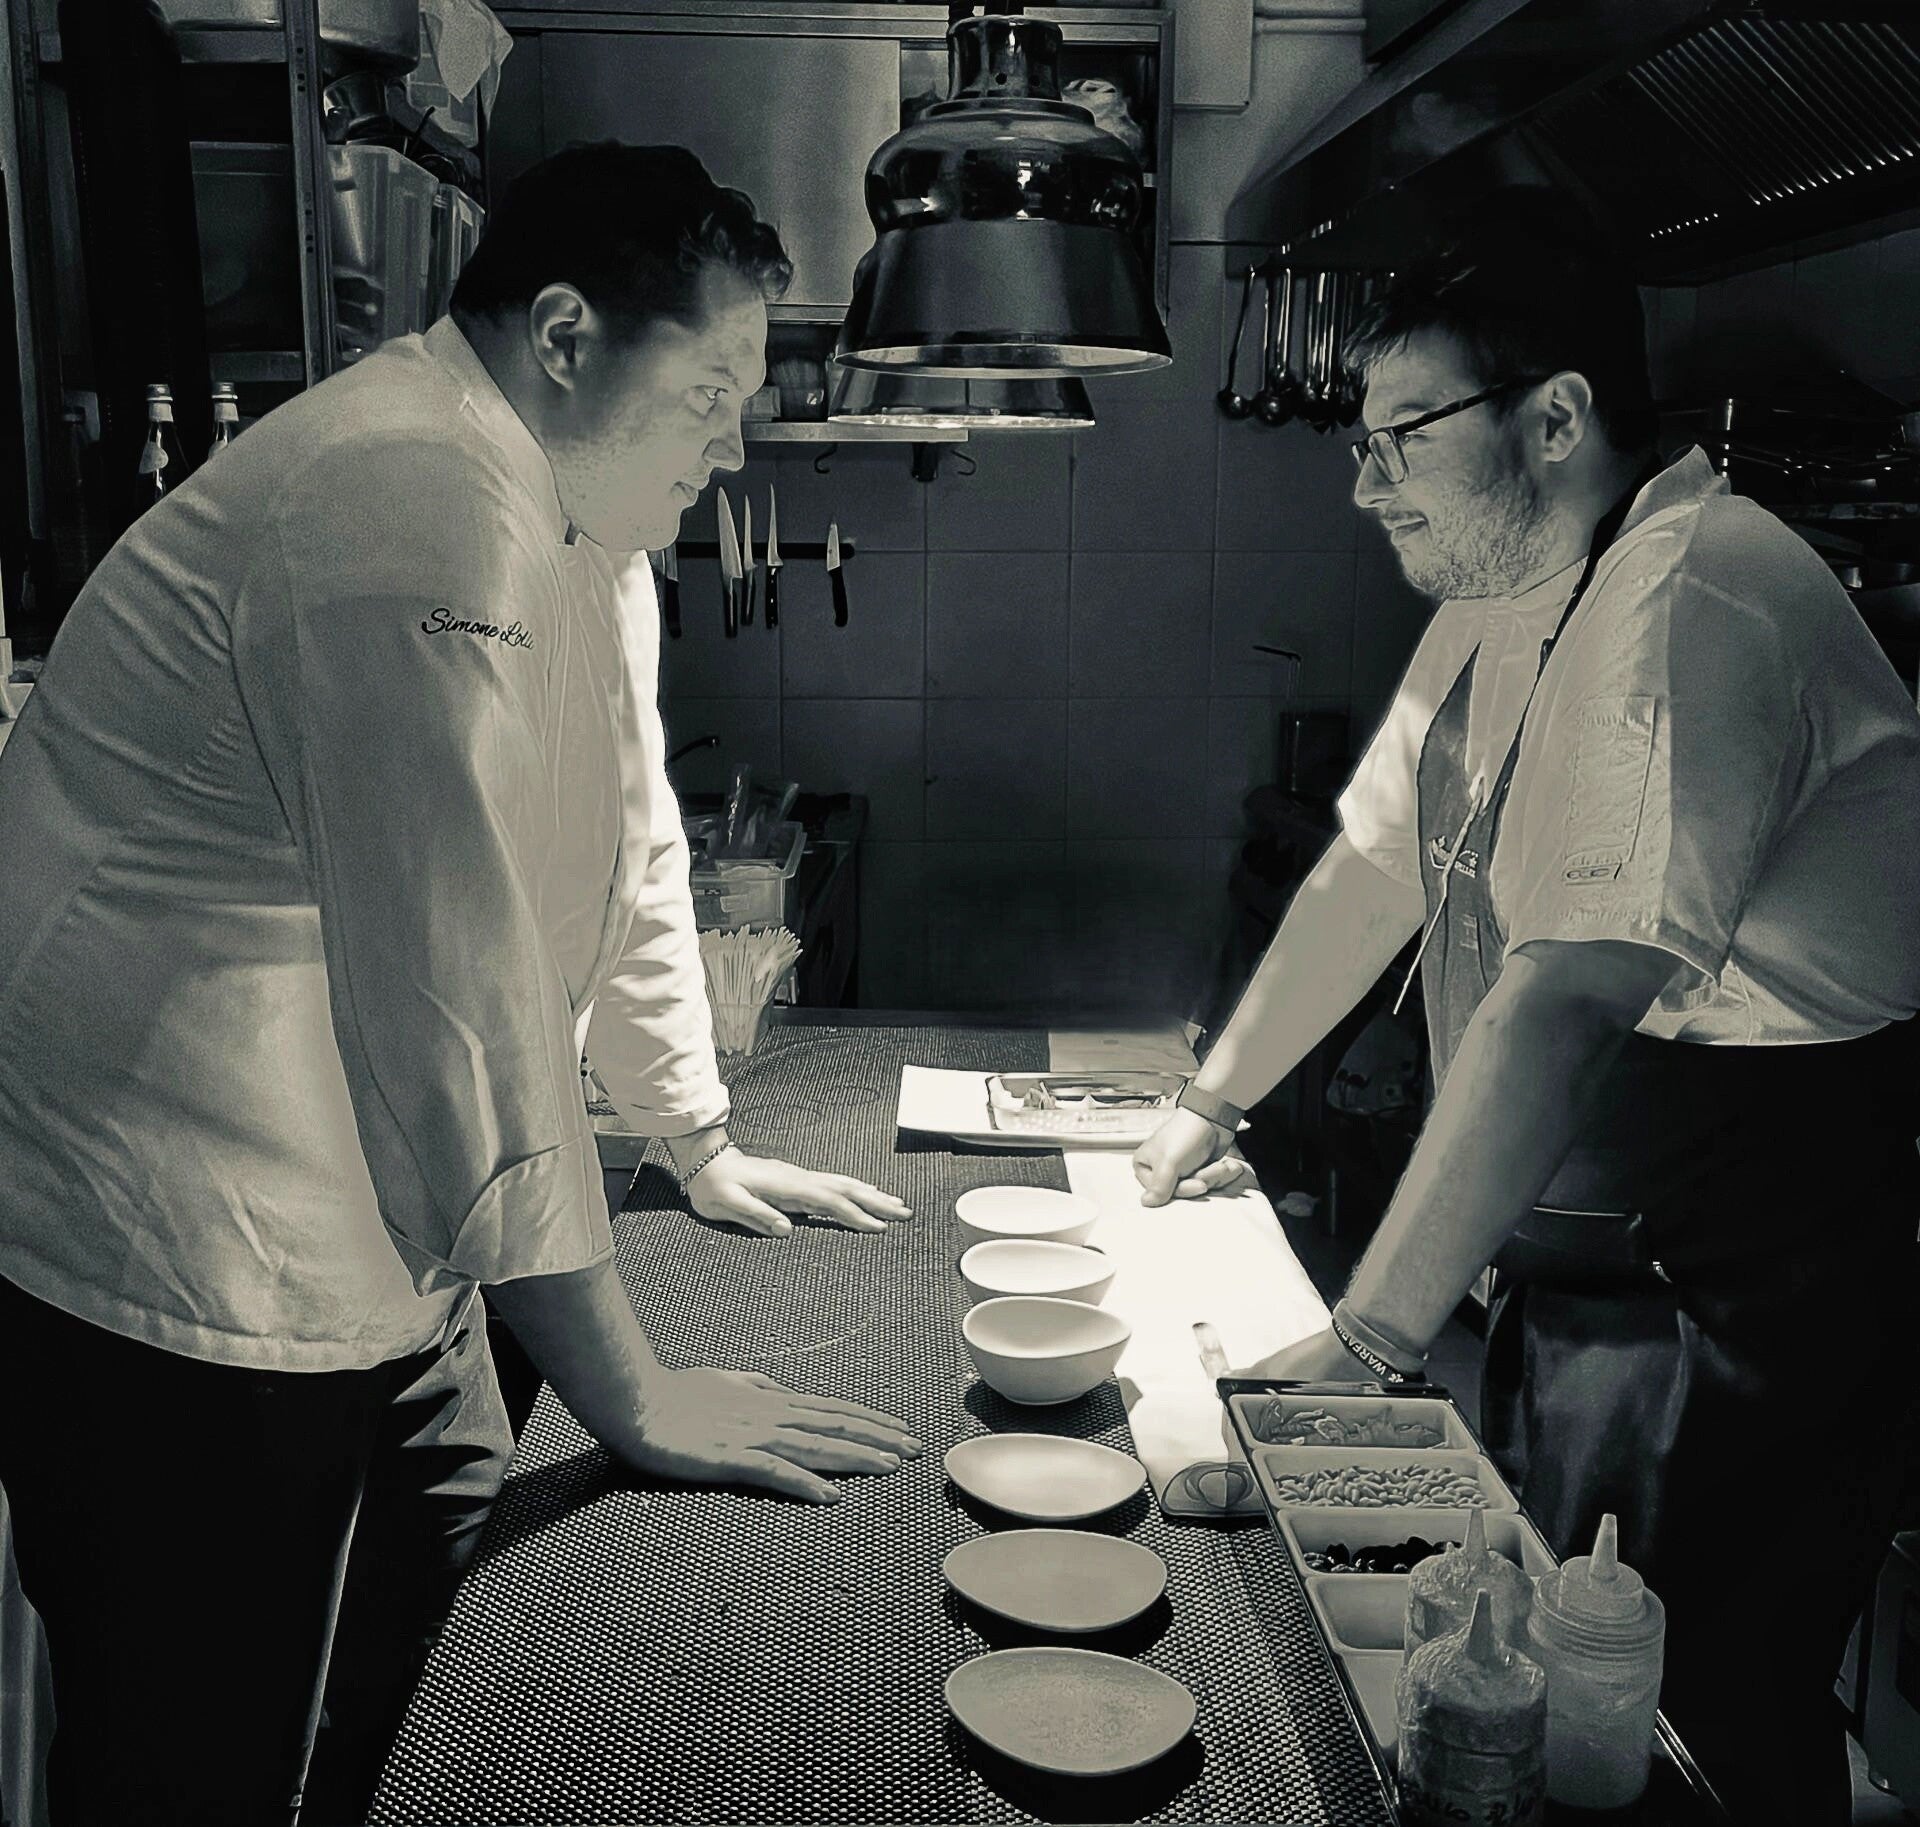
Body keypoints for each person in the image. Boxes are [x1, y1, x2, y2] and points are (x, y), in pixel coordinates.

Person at [0, 143, 923, 1827]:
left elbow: (628, 844)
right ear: (563, 337)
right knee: (194, 1768)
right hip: (180, 1270)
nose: (736, 443)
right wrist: (635, 1394)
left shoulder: (583, 527)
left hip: (387, 1231)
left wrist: (696, 1138)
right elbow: (464, 994)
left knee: (422, 1681)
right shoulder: (399, 491)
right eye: (711, 391)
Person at [1134, 195, 1920, 1824]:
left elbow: (1564, 1005)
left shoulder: (1688, 598)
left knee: (1691, 1695)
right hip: (1604, 1244)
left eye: (1400, 439)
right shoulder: (1511, 593)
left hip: (1746, 1268)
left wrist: (1362, 1347)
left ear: (1555, 419)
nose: (1365, 486)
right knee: (1551, 1670)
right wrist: (1211, 1104)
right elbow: (1377, 863)